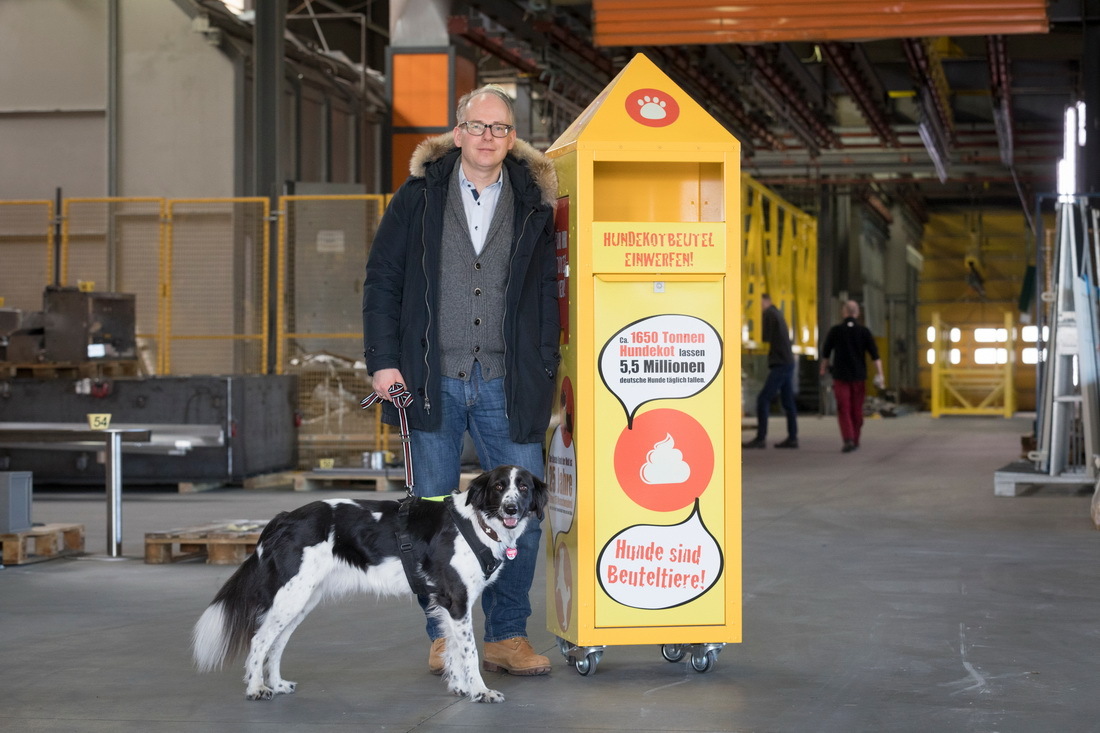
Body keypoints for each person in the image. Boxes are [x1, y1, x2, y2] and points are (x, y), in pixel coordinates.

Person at [362, 85, 560, 676]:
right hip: (429, 378)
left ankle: (505, 636)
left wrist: (544, 362)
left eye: (500, 129)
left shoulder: (533, 203)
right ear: (457, 130)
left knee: (520, 511)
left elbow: (550, 296)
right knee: (428, 514)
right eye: (478, 126)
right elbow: (382, 280)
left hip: (508, 382)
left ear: (512, 136)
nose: (488, 138)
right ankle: (447, 635)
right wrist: (382, 358)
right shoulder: (418, 197)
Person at [819, 299, 884, 453]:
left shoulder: (835, 331)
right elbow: (875, 356)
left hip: (840, 376)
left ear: (844, 312)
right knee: (857, 410)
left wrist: (822, 369)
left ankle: (848, 439)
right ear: (857, 313)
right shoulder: (864, 332)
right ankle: (855, 439)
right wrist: (881, 375)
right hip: (859, 378)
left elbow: (826, 354)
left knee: (844, 409)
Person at [744, 293, 799, 449]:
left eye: (758, 302)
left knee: (763, 399)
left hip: (781, 364)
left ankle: (760, 439)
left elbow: (764, 338)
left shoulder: (768, 314)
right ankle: (793, 438)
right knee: (788, 403)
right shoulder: (777, 313)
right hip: (787, 362)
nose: (757, 306)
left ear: (765, 301)